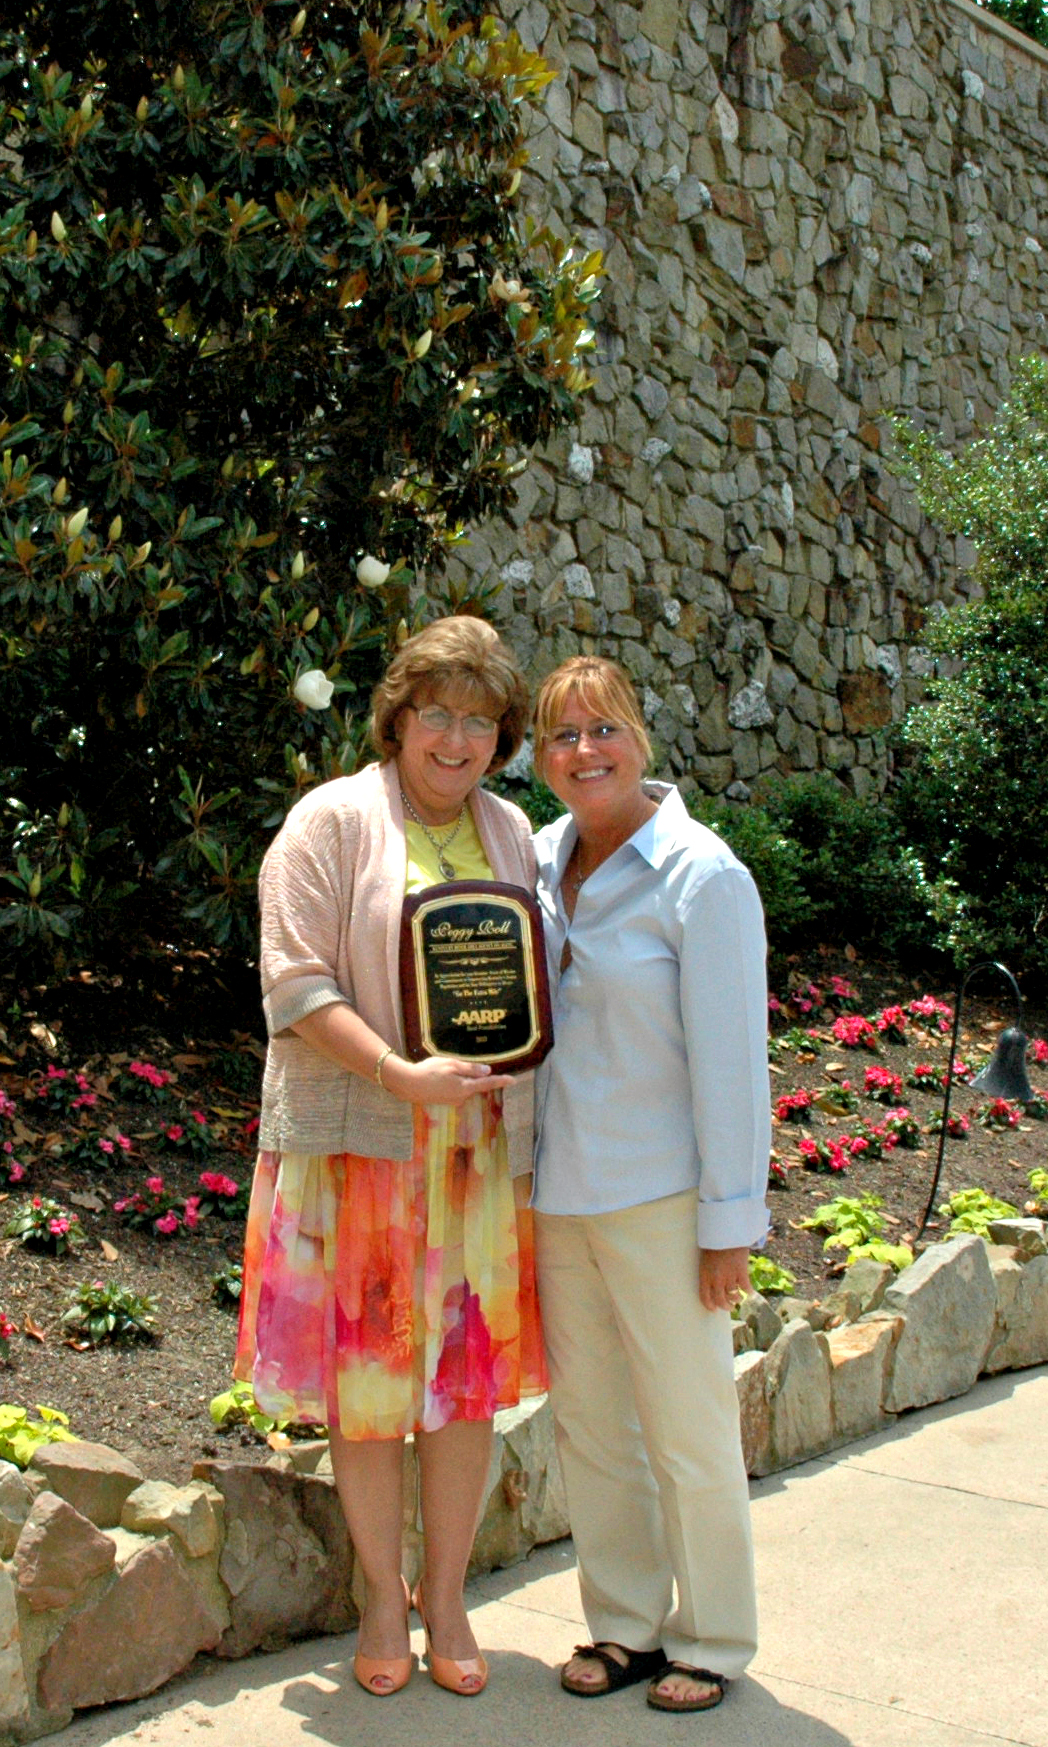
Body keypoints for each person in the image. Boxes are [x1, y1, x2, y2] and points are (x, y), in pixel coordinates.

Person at [235, 616, 546, 1699]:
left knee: (462, 1389)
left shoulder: (511, 832)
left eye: (480, 718)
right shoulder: (328, 820)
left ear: (501, 738)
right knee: (368, 1392)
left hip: (475, 1161)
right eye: (437, 712)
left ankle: (447, 1596)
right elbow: (293, 982)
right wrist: (395, 1075)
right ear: (400, 717)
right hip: (361, 1149)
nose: (456, 738)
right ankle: (380, 1598)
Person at [529, 655, 770, 1715]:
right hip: (557, 1193)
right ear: (538, 761)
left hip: (665, 1200)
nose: (585, 751)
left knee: (687, 1425)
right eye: (560, 737)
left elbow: (732, 1064)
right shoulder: (531, 863)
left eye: (602, 729)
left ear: (640, 738)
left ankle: (711, 1633)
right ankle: (623, 1624)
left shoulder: (701, 875)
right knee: (589, 1425)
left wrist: (730, 1221)